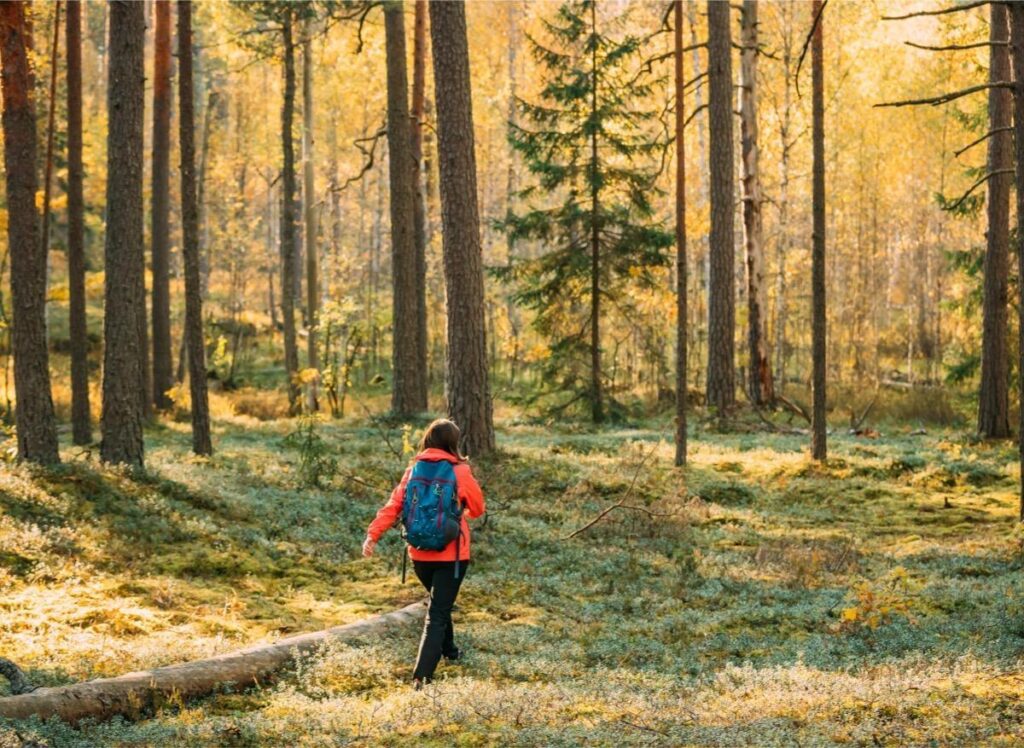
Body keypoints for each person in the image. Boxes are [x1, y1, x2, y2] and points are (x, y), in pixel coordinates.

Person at [362, 418, 485, 687]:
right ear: (453, 443)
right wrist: (458, 510)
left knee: (440, 603)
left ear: (428, 440)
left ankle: (450, 651)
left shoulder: (413, 470)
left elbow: (393, 506)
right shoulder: (460, 471)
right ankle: (422, 676)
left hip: (418, 554)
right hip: (452, 556)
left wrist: (372, 535)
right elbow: (477, 509)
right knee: (438, 611)